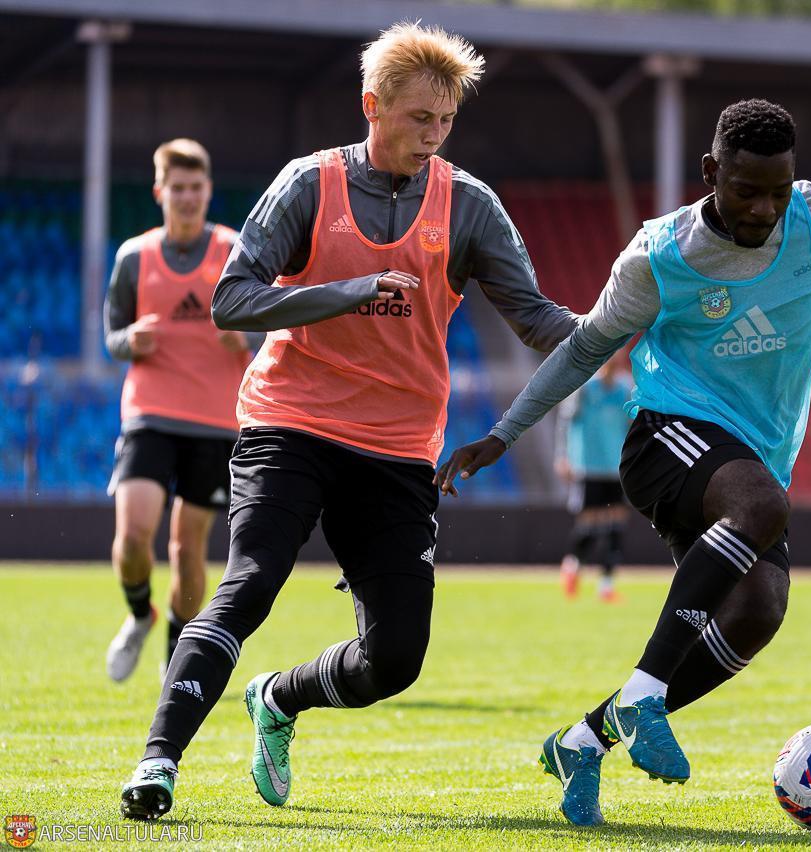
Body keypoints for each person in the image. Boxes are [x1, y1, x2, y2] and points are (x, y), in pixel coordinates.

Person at [119, 22, 579, 821]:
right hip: (289, 421)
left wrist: (622, 324)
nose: (433, 136)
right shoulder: (309, 184)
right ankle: (157, 763)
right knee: (250, 582)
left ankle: (278, 697)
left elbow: (537, 320)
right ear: (372, 106)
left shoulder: (469, 205)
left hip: (398, 448)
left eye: (446, 121)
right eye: (418, 118)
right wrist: (346, 292)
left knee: (396, 660)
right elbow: (233, 299)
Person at [437, 99, 811, 827]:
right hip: (666, 436)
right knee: (762, 505)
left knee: (758, 611)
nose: (764, 210)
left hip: (756, 455)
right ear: (711, 172)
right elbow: (586, 346)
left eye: (777, 192)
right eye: (746, 191)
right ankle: (646, 694)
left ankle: (585, 739)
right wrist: (504, 433)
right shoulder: (660, 256)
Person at [103, 138, 258, 684]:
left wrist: (246, 337)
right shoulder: (134, 256)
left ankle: (176, 649)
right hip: (149, 414)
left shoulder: (234, 251)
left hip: (216, 423)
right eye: (178, 188)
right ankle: (139, 612)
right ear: (159, 192)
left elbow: (268, 322)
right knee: (133, 537)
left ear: (208, 190)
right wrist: (130, 340)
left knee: (187, 548)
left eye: (196, 187)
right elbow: (111, 336)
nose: (188, 197)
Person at [556, 349, 635, 602]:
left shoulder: (625, 389)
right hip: (588, 465)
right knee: (589, 524)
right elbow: (565, 423)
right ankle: (573, 565)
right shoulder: (584, 388)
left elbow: (631, 426)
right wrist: (563, 456)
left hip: (615, 466)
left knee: (615, 526)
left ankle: (606, 585)